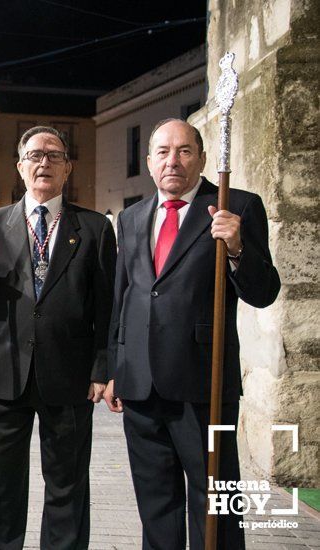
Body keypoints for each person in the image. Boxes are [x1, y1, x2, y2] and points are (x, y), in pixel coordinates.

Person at [105, 118, 280, 550]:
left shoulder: (235, 206)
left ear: (202, 157)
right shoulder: (130, 218)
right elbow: (122, 298)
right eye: (163, 152)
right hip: (141, 385)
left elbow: (264, 292)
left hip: (205, 383)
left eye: (184, 150)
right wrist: (114, 367)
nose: (173, 161)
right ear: (149, 163)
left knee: (216, 498)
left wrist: (238, 248)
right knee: (156, 502)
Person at [0, 126, 116, 549]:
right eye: (34, 155)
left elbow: (107, 308)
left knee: (67, 485)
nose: (43, 162)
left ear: (67, 167)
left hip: (68, 376)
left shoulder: (95, 227)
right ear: (20, 167)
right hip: (5, 375)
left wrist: (103, 368)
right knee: (1, 487)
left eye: (53, 155)